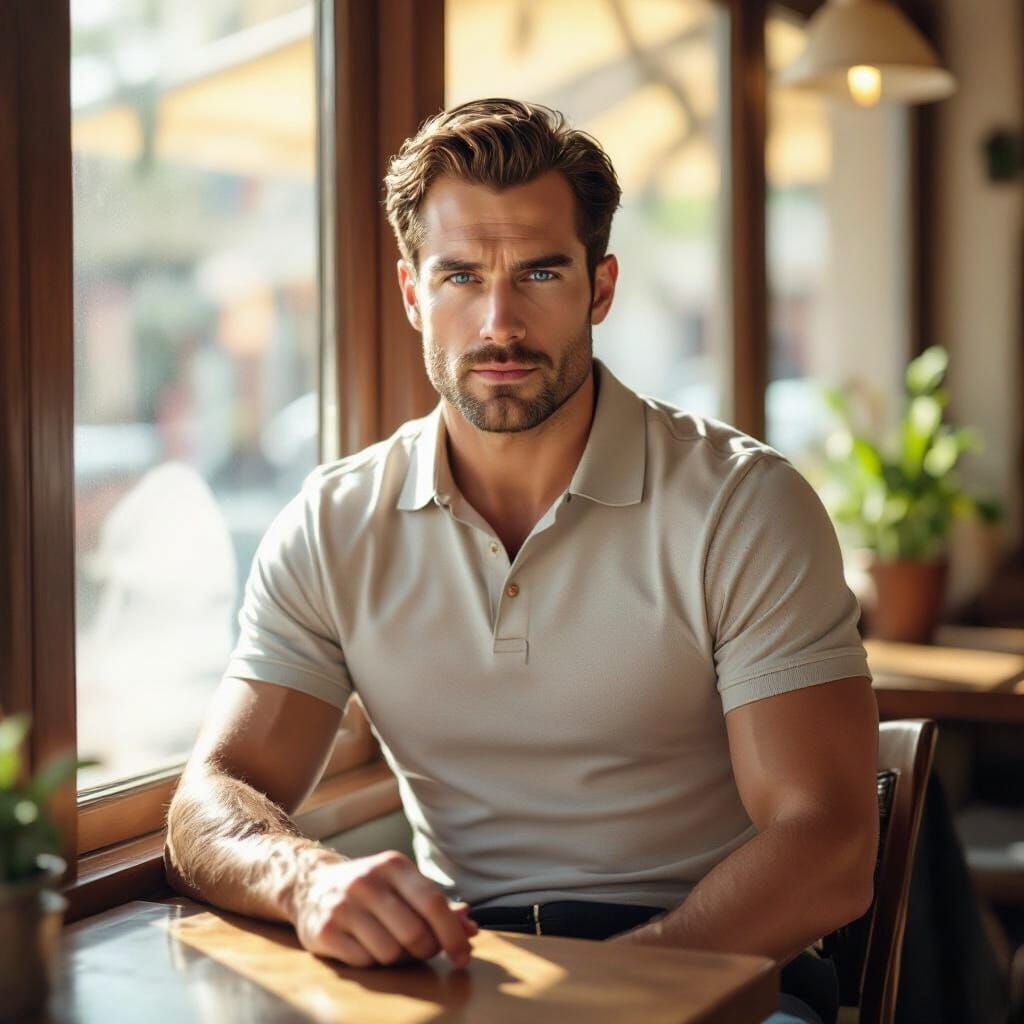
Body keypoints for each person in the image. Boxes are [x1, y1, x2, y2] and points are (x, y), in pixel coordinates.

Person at [165, 98, 880, 1024]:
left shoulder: (743, 504)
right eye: (461, 276)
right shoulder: (334, 522)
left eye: (540, 272)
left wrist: (605, 993)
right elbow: (210, 797)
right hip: (468, 971)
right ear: (413, 291)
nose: (499, 322)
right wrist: (306, 880)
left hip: (722, 966)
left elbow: (827, 847)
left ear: (601, 286)